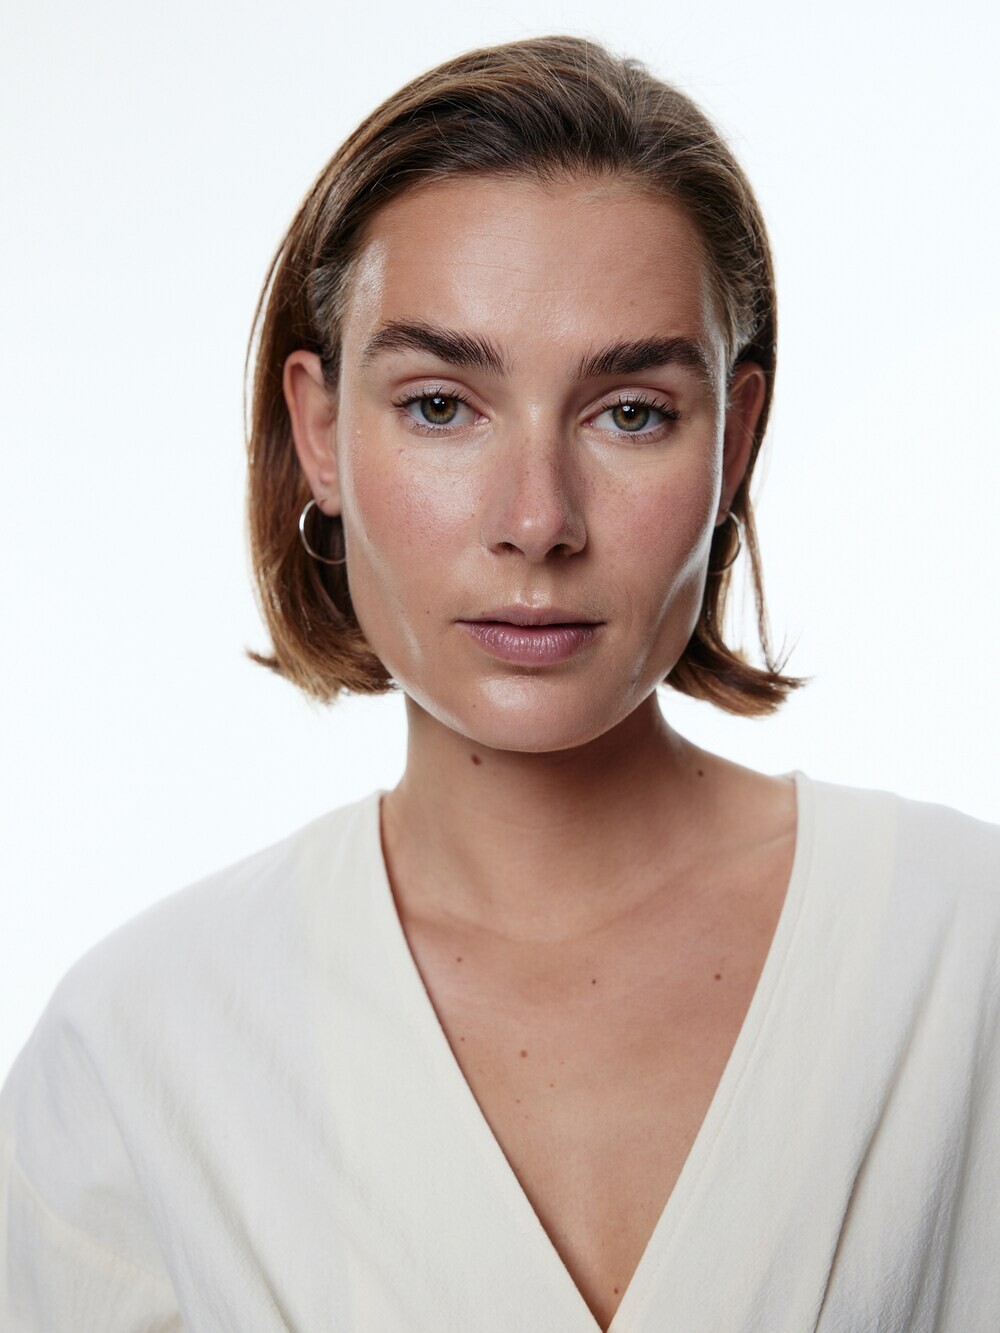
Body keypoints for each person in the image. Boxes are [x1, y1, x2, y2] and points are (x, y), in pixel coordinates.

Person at [2, 33, 998, 1333]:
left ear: (736, 437)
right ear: (320, 431)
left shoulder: (961, 952)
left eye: (630, 411)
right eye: (440, 405)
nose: (537, 522)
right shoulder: (137, 1058)